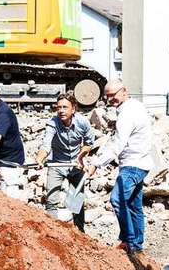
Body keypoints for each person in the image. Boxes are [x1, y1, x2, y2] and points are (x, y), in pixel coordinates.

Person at [85, 79, 153, 255]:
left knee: (117, 199)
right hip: (141, 162)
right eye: (107, 96)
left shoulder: (127, 114)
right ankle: (137, 245)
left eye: (113, 95)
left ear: (123, 91)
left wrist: (96, 164)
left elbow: (117, 145)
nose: (110, 99)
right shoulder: (135, 106)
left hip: (133, 165)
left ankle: (128, 242)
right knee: (134, 205)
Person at [35, 92, 94, 232]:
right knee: (51, 201)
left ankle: (80, 232)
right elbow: (46, 144)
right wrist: (39, 159)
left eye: (65, 107)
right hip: (57, 165)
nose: (61, 111)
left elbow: (89, 143)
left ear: (73, 109)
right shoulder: (52, 124)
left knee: (77, 201)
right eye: (58, 107)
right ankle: (53, 233)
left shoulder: (83, 122)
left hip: (76, 165)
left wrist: (80, 157)